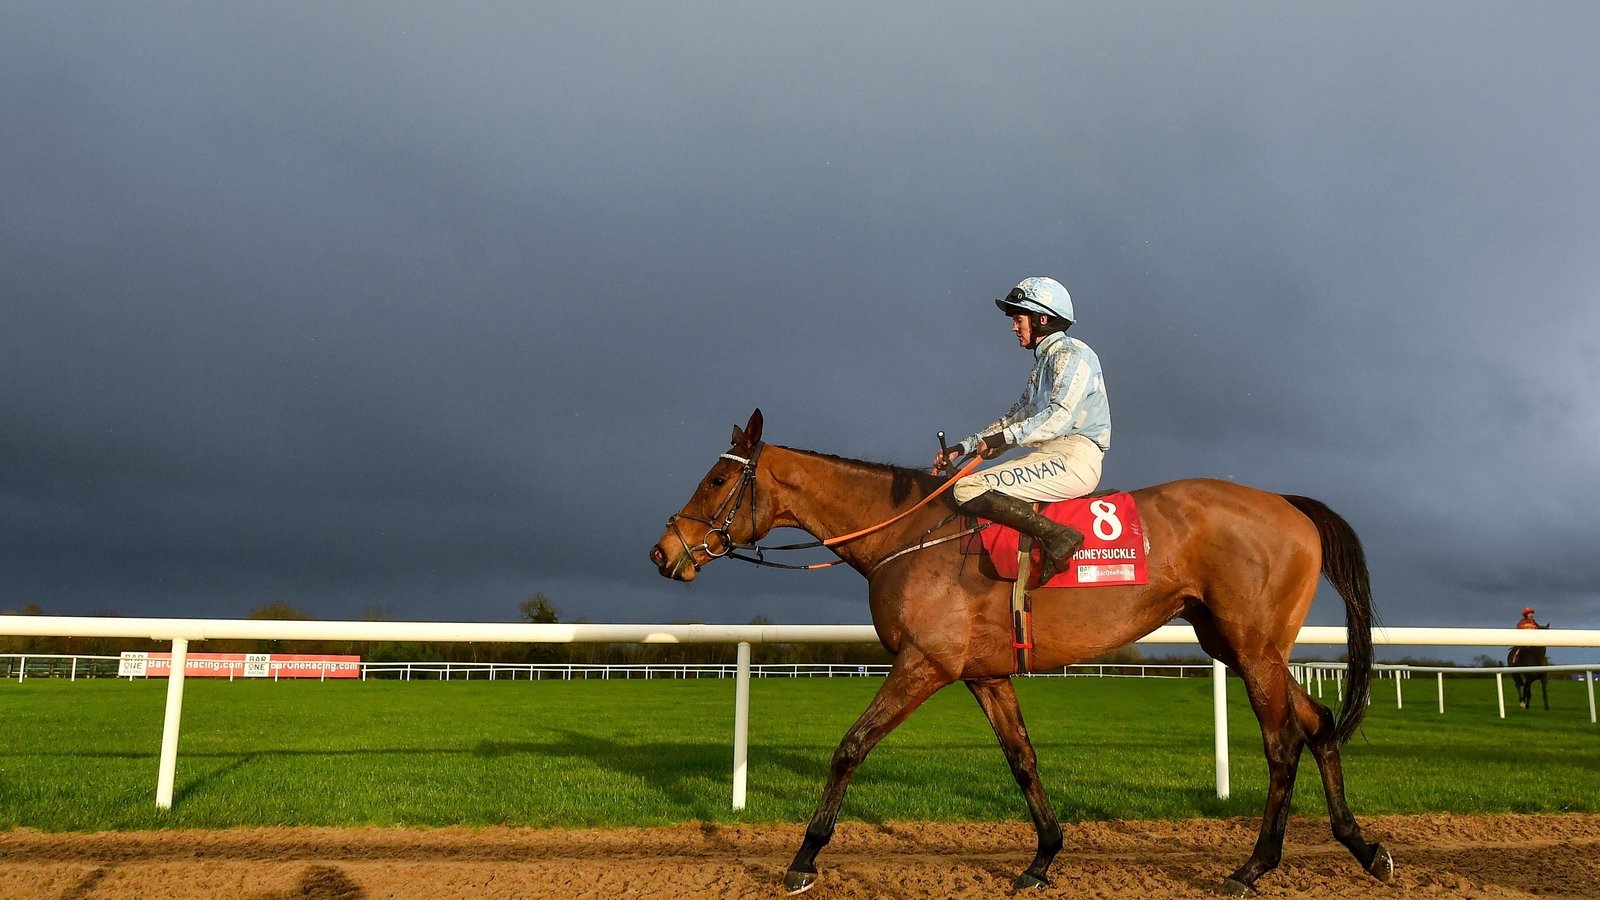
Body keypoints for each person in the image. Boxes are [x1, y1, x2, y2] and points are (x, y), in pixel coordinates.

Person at [933, 276, 1111, 582]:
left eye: (1019, 319)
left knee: (967, 488)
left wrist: (1001, 438)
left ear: (1042, 319)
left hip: (1075, 459)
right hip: (1054, 455)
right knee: (970, 482)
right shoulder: (1043, 364)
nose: (1014, 328)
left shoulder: (1072, 354)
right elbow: (1015, 419)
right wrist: (963, 447)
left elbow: (1059, 416)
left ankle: (1060, 537)